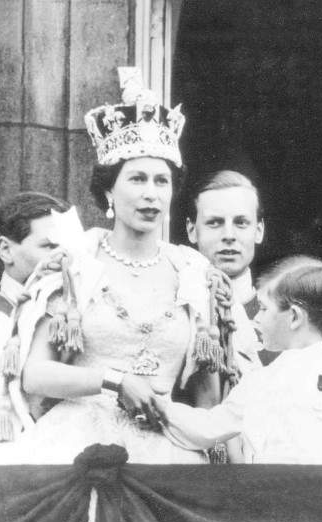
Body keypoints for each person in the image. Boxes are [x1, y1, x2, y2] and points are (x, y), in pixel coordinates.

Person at [12, 69, 227, 464]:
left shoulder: (193, 274)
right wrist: (114, 381)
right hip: (79, 445)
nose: (151, 194)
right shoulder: (75, 266)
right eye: (138, 179)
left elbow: (206, 395)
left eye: (162, 181)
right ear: (110, 189)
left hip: (167, 447)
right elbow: (35, 374)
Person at [156, 256, 322, 464]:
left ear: (294, 317)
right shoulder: (257, 381)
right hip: (266, 502)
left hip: (321, 504)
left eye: (263, 309)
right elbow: (210, 426)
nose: (256, 318)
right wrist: (159, 408)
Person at [0, 192, 70, 462]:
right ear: (6, 250)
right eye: (49, 246)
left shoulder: (78, 321)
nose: (63, 257)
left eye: (68, 246)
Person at [186, 170, 275, 367]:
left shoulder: (283, 320)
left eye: (241, 223)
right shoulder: (181, 313)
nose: (229, 235)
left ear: (259, 230)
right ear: (192, 230)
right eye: (214, 223)